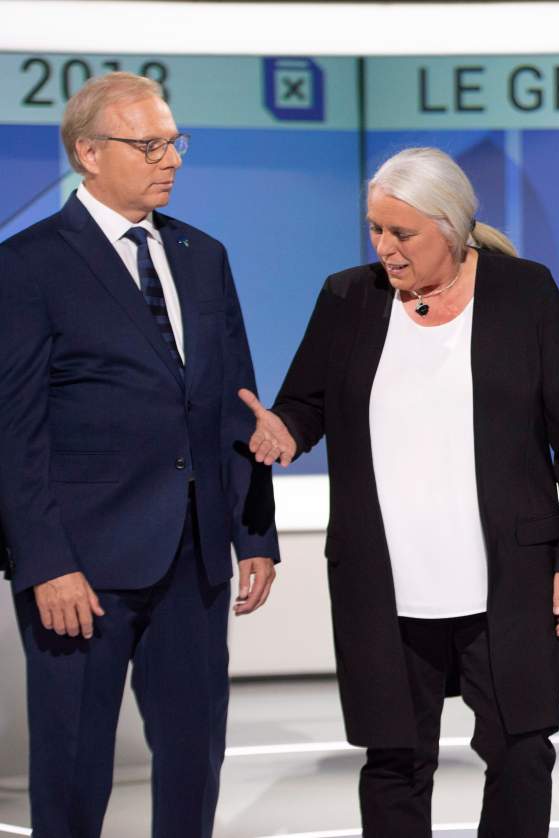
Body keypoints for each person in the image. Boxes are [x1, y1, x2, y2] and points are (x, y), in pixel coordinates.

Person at [240, 146, 559, 837]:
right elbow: (305, 404)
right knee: (395, 760)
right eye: (375, 229)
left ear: (452, 225)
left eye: (401, 233)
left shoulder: (525, 294)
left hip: (509, 580)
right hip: (386, 584)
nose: (385, 248)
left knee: (521, 751)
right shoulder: (348, 297)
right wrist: (283, 431)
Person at [0, 72, 279, 838]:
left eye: (174, 142)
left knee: (194, 761)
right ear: (89, 153)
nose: (171, 159)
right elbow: (12, 430)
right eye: (149, 144)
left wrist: (254, 532)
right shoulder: (27, 265)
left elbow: (235, 402)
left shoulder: (202, 254)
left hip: (194, 560)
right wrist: (45, 561)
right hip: (81, 570)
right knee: (73, 766)